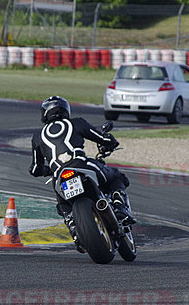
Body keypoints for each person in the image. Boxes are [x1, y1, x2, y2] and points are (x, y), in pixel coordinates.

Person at [29, 96, 135, 235]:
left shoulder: (37, 136)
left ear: (44, 114)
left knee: (63, 205)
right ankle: (119, 208)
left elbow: (36, 169)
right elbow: (103, 139)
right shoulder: (77, 123)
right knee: (116, 176)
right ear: (65, 110)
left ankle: (73, 227)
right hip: (83, 165)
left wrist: (49, 170)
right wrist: (110, 141)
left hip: (59, 175)